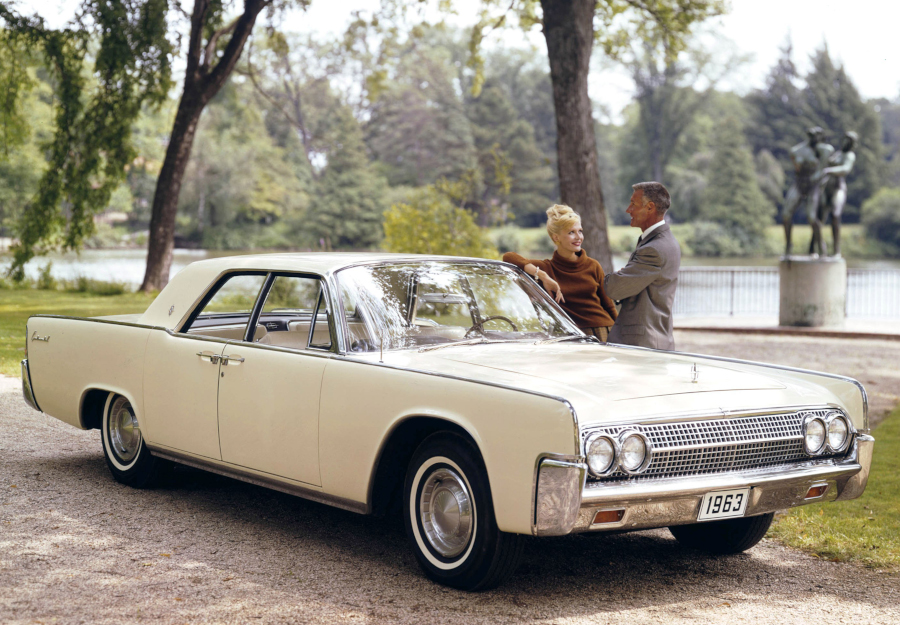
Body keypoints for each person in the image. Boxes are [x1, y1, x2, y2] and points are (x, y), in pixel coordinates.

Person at [502, 204, 618, 341]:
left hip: (602, 330)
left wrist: (621, 333)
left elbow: (608, 305)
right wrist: (543, 276)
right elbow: (509, 257)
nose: (578, 237)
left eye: (580, 231)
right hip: (567, 334)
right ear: (556, 238)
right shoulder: (546, 268)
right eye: (571, 232)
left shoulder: (593, 266)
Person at [604, 181, 680, 350]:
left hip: (642, 345)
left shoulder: (654, 249)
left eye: (633, 203)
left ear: (650, 207)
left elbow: (614, 288)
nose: (628, 209)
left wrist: (614, 277)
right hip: (653, 341)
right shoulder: (664, 241)